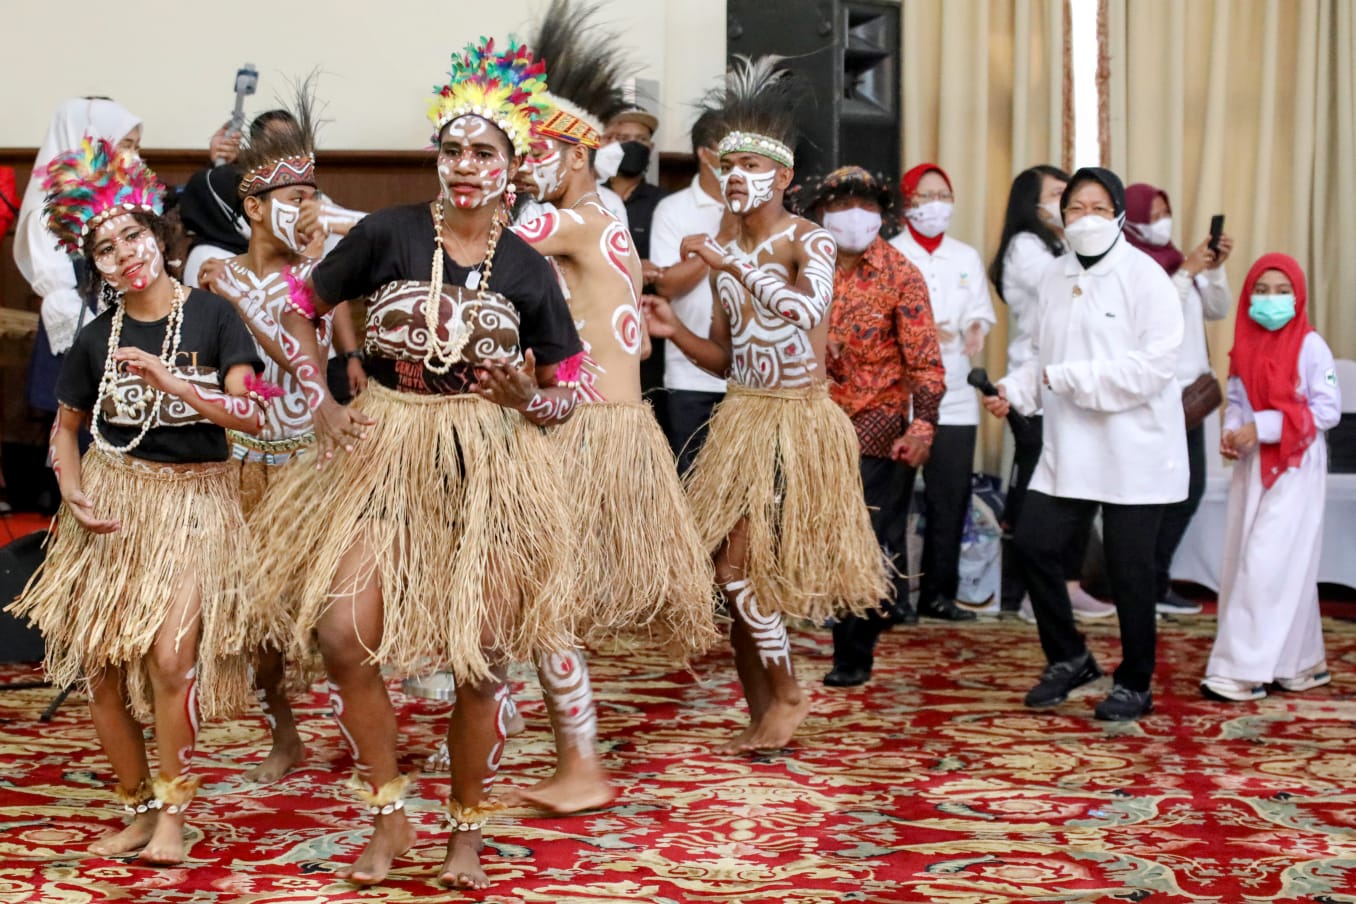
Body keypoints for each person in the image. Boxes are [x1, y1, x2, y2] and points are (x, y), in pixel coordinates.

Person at [243, 38, 582, 890]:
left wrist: (522, 402)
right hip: (386, 449)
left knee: (482, 658)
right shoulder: (390, 232)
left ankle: (466, 827)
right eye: (452, 149)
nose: (464, 165)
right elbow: (298, 307)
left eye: (484, 152)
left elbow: (568, 390)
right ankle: (388, 813)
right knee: (342, 636)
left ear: (512, 167)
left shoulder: (529, 268)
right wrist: (323, 399)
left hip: (491, 465)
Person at [6, 139, 266, 864]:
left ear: (157, 235)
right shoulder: (93, 338)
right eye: (106, 248)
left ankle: (176, 812)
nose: (125, 254)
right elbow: (65, 430)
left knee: (170, 660)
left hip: (192, 507)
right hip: (114, 504)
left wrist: (177, 384)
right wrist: (74, 492)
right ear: (96, 266)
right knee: (103, 670)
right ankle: (137, 806)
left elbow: (251, 416)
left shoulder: (215, 318)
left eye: (132, 235)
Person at [507, 0, 717, 814]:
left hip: (585, 431)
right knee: (541, 595)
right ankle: (563, 746)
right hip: (599, 424)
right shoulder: (611, 217)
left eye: (531, 155)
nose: (523, 168)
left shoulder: (575, 220)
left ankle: (581, 762)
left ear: (569, 154)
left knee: (545, 596)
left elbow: (485, 236)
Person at [644, 56, 888, 752]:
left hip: (796, 422)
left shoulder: (806, 240)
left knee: (739, 571)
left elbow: (805, 307)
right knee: (728, 574)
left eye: (754, 167)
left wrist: (731, 264)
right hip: (741, 416)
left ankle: (787, 693)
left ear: (782, 178)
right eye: (729, 166)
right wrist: (676, 331)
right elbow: (724, 356)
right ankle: (762, 708)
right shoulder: (731, 251)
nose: (738, 178)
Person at [982, 167, 1186, 722]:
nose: (1086, 218)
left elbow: (1153, 369)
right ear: (1060, 215)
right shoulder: (1053, 276)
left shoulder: (1145, 278)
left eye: (1099, 207)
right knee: (1033, 545)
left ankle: (1135, 682)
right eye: (1075, 208)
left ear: (1119, 213)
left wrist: (1065, 380)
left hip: (1135, 449)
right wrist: (1014, 391)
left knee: (1129, 569)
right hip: (1070, 448)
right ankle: (1069, 656)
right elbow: (1037, 358)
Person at [200, 92, 336, 784]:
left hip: (314, 463)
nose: (308, 209)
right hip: (246, 464)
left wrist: (249, 305)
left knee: (336, 608)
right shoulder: (213, 272)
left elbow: (305, 362)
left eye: (314, 194)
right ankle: (284, 732)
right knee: (258, 618)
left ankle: (360, 718)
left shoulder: (318, 277)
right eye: (294, 195)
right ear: (254, 207)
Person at [800, 166, 945, 685]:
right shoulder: (806, 263)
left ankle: (853, 654)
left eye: (864, 205)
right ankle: (869, 610)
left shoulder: (901, 273)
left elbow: (926, 362)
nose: (852, 216)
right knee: (819, 531)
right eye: (841, 205)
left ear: (882, 214)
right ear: (820, 213)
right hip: (811, 421)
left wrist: (921, 429)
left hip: (877, 422)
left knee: (865, 539)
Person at [1201, 253, 1340, 702]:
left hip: (1296, 463)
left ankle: (1241, 670)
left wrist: (1261, 427)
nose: (1271, 299)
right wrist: (1231, 430)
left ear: (1298, 296)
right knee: (1257, 558)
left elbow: (1327, 409)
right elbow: (1238, 399)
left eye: (1282, 291)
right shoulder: (1245, 344)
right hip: (1253, 464)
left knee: (1268, 562)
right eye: (1262, 290)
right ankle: (1299, 663)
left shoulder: (1311, 346)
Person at [989, 165, 1115, 621]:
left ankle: (1068, 582)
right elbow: (1071, 287)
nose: (1069, 206)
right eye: (1060, 195)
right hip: (1036, 382)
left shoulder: (1061, 245)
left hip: (1072, 384)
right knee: (1043, 490)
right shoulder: (1027, 247)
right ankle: (1032, 593)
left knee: (1079, 487)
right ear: (1033, 201)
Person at [889, 164, 994, 621]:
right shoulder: (889, 253)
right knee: (892, 499)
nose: (936, 204)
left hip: (953, 396)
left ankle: (939, 595)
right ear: (907, 200)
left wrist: (975, 329)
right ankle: (891, 598)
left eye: (943, 195)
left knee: (948, 501)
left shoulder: (965, 256)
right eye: (926, 195)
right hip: (900, 398)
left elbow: (980, 311)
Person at [1123, 183, 1233, 616]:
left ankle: (1156, 579)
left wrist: (1213, 269)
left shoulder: (1174, 259)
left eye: (1165, 211)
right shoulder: (1134, 267)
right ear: (1130, 217)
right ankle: (1143, 582)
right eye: (1152, 212)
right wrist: (1186, 271)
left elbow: (1218, 309)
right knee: (1155, 493)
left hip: (1192, 397)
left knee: (1190, 490)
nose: (1161, 220)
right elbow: (1157, 316)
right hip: (1154, 397)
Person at [15, 99, 142, 415]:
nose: (134, 156)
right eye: (125, 145)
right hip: (83, 339)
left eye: (137, 146)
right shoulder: (49, 213)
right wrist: (106, 350)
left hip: (123, 340)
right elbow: (59, 292)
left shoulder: (117, 205)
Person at [647, 109, 729, 473]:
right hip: (689, 375)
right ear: (705, 154)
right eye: (729, 155)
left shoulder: (759, 209)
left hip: (749, 377)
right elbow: (665, 284)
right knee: (693, 484)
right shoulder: (674, 208)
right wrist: (724, 239)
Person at [603, 105, 663, 260]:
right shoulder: (589, 195)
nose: (633, 145)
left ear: (650, 148)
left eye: (641, 139)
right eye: (623, 139)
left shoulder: (663, 203)